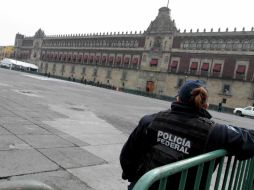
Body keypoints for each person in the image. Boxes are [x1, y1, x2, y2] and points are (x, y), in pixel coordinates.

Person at [120, 80, 254, 190]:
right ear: (205, 105)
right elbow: (249, 140)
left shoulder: (150, 120)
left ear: (178, 99)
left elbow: (127, 156)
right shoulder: (216, 132)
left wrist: (135, 180)